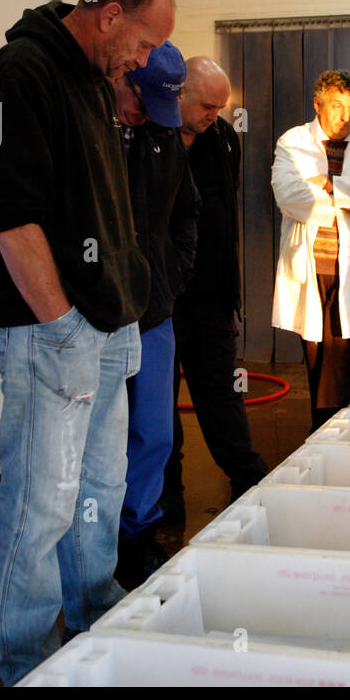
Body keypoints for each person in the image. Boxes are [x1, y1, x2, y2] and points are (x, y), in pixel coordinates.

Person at [0, 0, 175, 685]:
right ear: (110, 14)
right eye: (145, 45)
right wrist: (56, 320)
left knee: (100, 488)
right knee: (41, 501)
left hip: (108, 323)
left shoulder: (90, 84)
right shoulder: (16, 74)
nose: (144, 64)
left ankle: (92, 611)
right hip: (47, 330)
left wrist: (123, 306)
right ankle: (27, 660)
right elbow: (8, 213)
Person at [109, 42, 199, 588]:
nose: (145, 115)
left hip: (155, 313)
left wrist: (172, 277)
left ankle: (136, 535)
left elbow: (188, 213)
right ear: (124, 76)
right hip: (99, 316)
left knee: (154, 433)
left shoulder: (164, 137)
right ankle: (92, 545)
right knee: (101, 438)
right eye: (141, 102)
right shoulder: (94, 134)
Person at [162, 57, 267, 521]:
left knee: (221, 391)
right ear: (178, 94)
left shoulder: (222, 139)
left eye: (221, 106)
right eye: (207, 105)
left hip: (212, 294)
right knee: (159, 403)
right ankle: (165, 501)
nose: (214, 114)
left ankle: (249, 478)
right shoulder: (151, 138)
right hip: (161, 300)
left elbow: (223, 215)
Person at [271, 70, 350, 431]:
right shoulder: (292, 142)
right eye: (337, 106)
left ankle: (326, 429)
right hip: (312, 266)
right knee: (317, 355)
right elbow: (290, 198)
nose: (346, 116)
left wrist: (327, 184)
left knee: (344, 356)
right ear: (318, 104)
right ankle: (329, 428)